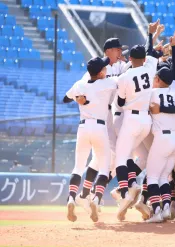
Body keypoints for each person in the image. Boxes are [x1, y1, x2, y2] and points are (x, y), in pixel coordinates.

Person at [63, 57, 117, 223]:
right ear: (101, 72)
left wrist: (78, 97)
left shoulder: (80, 84)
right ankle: (96, 198)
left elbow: (65, 98)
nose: (106, 70)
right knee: (104, 168)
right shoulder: (107, 83)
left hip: (83, 128)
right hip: (100, 128)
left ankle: (71, 198)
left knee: (78, 167)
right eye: (104, 68)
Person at [115, 22, 159, 221]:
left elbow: (120, 101)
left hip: (131, 118)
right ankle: (132, 183)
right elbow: (150, 52)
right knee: (141, 157)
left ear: (130, 58)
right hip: (146, 121)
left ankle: (125, 193)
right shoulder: (150, 68)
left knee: (121, 158)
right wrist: (151, 35)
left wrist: (149, 35)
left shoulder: (125, 76)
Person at [145, 67, 175, 223]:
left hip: (163, 138)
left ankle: (157, 211)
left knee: (152, 177)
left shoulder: (152, 93)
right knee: (163, 178)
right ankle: (166, 208)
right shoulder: (174, 95)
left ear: (159, 79)